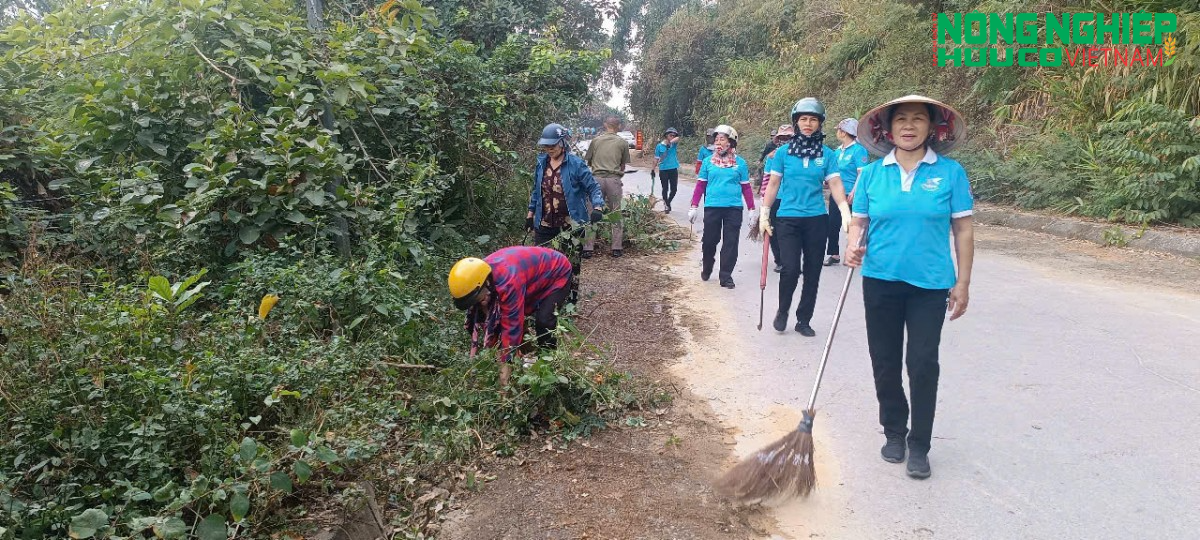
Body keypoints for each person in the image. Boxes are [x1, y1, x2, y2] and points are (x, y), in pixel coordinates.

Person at [844, 95, 974, 480]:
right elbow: (859, 223)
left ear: (932, 128)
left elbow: (963, 230)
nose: (909, 125)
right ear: (887, 128)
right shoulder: (871, 174)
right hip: (881, 280)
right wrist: (853, 245)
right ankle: (894, 432)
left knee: (922, 364)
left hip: (930, 284)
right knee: (884, 362)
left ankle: (920, 443)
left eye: (918, 118)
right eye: (901, 118)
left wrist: (962, 282)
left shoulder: (950, 173)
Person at [758, 98, 851, 337]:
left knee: (812, 272)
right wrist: (765, 213)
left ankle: (803, 320)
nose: (808, 124)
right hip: (788, 218)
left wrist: (843, 209)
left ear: (820, 124)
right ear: (796, 122)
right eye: (803, 119)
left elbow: (835, 183)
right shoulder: (783, 153)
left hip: (816, 219)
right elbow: (773, 184)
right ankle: (782, 310)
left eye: (813, 119)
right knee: (790, 269)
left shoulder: (828, 154)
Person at [448, 247, 574, 388]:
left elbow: (511, 327)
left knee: (544, 321)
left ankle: (548, 367)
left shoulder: (508, 281)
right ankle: (530, 355)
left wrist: (504, 381)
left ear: (487, 284)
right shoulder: (476, 279)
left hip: (556, 272)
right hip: (528, 276)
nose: (479, 303)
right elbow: (491, 321)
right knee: (512, 324)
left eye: (479, 299)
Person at [527, 123, 606, 295]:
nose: (549, 149)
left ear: (563, 143)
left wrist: (598, 206)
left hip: (572, 226)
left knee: (571, 265)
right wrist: (530, 214)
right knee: (542, 266)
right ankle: (545, 303)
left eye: (553, 145)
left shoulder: (576, 165)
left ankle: (570, 300)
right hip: (545, 224)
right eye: (546, 145)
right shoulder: (541, 164)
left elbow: (593, 187)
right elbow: (536, 191)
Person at [688, 125, 756, 289]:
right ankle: (707, 265)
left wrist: (752, 209)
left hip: (734, 208)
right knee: (710, 241)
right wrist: (694, 206)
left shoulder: (740, 164)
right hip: (713, 207)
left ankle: (726, 276)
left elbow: (746, 187)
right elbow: (700, 186)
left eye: (722, 139)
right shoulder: (707, 162)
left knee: (730, 243)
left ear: (731, 142)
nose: (718, 143)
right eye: (716, 139)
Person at [583, 116, 632, 258]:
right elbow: (623, 165)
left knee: (592, 212)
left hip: (596, 180)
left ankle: (588, 248)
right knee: (615, 213)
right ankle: (616, 248)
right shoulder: (622, 143)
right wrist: (617, 175)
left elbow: (590, 163)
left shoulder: (596, 141)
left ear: (605, 125)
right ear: (619, 126)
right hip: (613, 180)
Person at [825, 118, 872, 265]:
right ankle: (834, 253)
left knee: (854, 225)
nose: (837, 133)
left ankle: (855, 252)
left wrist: (854, 191)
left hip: (852, 194)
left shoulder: (859, 150)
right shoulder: (837, 151)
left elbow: (862, 173)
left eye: (838, 130)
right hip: (836, 193)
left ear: (844, 132)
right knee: (833, 223)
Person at [759, 125, 794, 273]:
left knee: (790, 231)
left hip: (792, 199)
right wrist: (764, 198)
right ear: (777, 139)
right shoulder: (772, 156)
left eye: (788, 138)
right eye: (782, 138)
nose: (785, 141)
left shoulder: (800, 156)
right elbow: (767, 178)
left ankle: (790, 259)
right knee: (773, 230)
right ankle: (779, 260)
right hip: (775, 198)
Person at [654, 127, 681, 213]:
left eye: (673, 135)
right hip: (663, 169)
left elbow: (678, 138)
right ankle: (666, 205)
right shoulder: (659, 146)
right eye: (670, 135)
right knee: (665, 188)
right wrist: (652, 169)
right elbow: (656, 159)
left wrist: (670, 142)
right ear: (666, 135)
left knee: (674, 189)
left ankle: (668, 202)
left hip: (673, 169)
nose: (672, 137)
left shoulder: (673, 144)